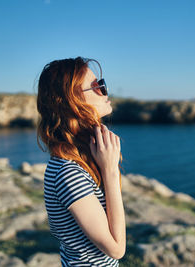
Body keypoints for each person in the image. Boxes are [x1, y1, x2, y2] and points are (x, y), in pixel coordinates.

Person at [36, 57, 125, 266]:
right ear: (71, 100)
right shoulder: (67, 172)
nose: (104, 89)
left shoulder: (80, 159)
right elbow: (116, 249)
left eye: (101, 83)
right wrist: (110, 170)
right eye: (96, 86)